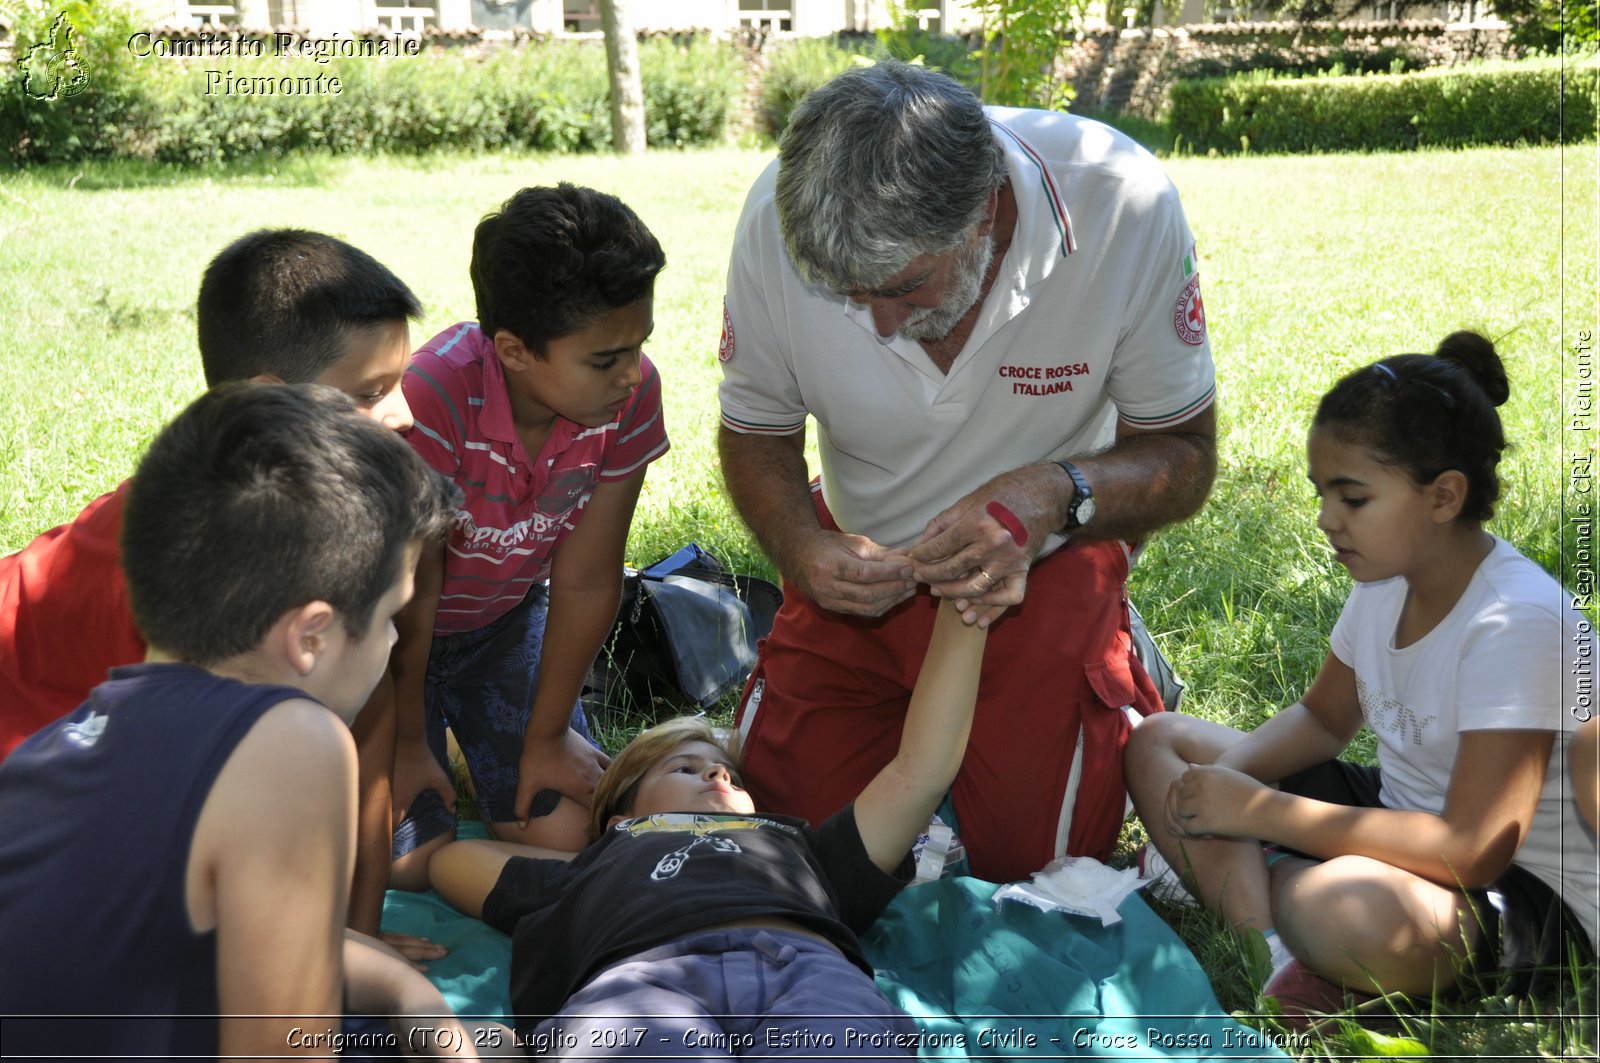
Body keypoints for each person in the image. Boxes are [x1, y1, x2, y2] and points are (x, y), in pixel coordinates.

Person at [716, 60, 1218, 883]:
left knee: (1042, 865)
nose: (878, 323)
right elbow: (756, 432)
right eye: (846, 293)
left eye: (905, 288)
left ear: (985, 211)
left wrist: (1054, 492)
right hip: (859, 553)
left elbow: (1184, 457)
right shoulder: (782, 211)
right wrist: (803, 550)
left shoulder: (1121, 200)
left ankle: (1113, 655)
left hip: (1050, 563)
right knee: (794, 849)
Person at [1125, 332, 1600, 1024]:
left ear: (1443, 496)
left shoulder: (1516, 623)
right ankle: (1274, 948)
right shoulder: (1385, 573)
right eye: (1324, 495)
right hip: (1396, 818)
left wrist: (1255, 812)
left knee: (1338, 905)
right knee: (1157, 740)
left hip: (1515, 892)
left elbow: (1472, 848)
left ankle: (1252, 882)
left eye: (1352, 498)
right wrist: (1223, 779)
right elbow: (1323, 720)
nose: (1326, 520)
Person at [0, 384, 476, 1059]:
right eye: (393, 616)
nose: (398, 643)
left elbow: (225, 934)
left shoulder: (59, 746)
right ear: (311, 635)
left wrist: (406, 989)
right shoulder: (292, 741)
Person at [0, 228, 426, 941]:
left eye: (402, 382)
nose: (403, 413)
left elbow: (372, 707)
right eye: (369, 392)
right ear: (272, 400)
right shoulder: (176, 569)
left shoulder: (331, 517)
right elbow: (147, 807)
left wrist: (359, 928)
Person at [429, 598, 989, 1055]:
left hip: (807, 973)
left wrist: (968, 608)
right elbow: (449, 861)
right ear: (624, 817)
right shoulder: (601, 866)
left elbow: (920, 772)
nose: (718, 772)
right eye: (684, 767)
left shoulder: (800, 849)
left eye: (730, 774)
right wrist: (597, 864)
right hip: (642, 986)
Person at [391, 184, 670, 881]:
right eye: (605, 359)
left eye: (639, 345)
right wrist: (400, 739)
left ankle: (482, 750)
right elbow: (406, 591)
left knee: (567, 833)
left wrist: (546, 737)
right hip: (391, 639)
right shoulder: (434, 395)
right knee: (404, 859)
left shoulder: (631, 398)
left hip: (504, 625)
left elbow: (586, 577)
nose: (631, 375)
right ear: (514, 351)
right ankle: (434, 742)